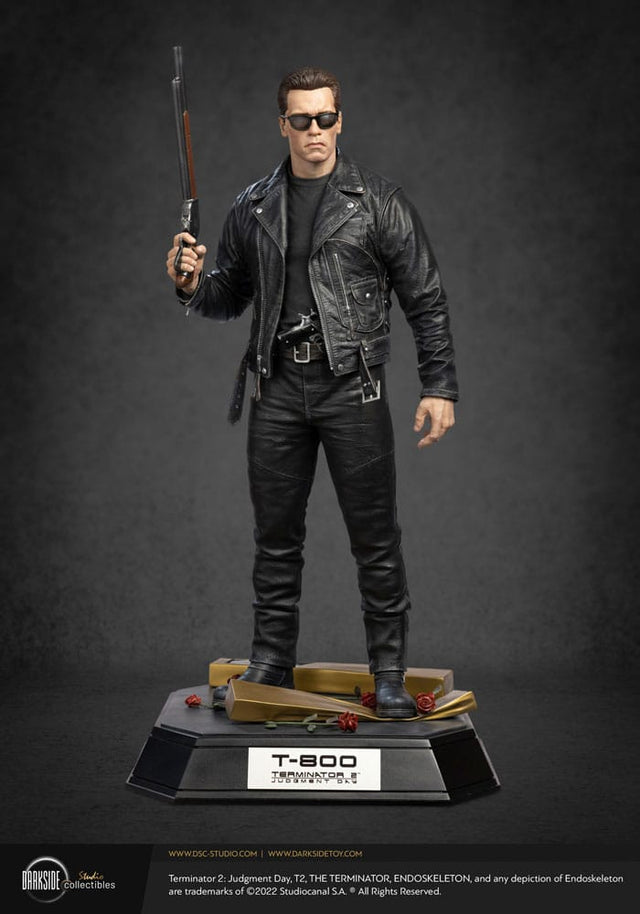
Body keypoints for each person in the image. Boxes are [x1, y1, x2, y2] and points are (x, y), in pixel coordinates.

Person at [166, 67, 458, 718]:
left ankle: (388, 673)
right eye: (301, 120)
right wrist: (190, 284)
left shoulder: (378, 202)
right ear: (284, 125)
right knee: (275, 538)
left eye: (325, 118)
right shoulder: (253, 205)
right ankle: (271, 660)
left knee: (375, 541)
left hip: (353, 388)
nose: (315, 131)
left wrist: (439, 385)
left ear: (339, 120)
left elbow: (427, 298)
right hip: (275, 389)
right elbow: (228, 296)